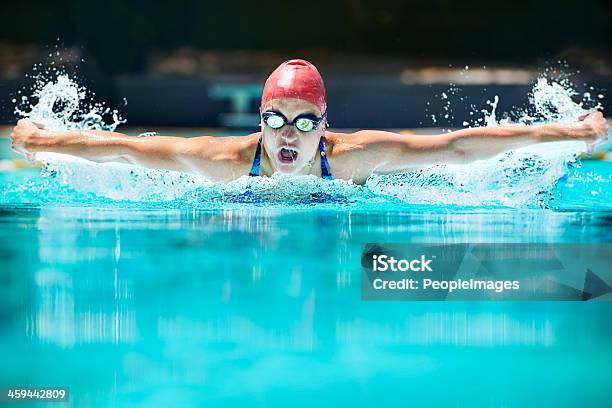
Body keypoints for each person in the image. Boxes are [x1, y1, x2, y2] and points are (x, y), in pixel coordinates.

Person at [10, 59, 609, 185]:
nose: (289, 135)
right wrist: (42, 141)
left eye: (302, 122)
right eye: (275, 120)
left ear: (324, 123)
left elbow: (456, 147)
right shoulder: (221, 161)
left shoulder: (352, 156)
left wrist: (573, 133)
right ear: (259, 121)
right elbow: (125, 150)